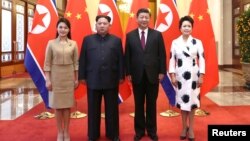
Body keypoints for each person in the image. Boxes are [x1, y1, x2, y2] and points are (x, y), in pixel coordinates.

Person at [78, 15, 124, 141]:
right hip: (93, 80)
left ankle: (113, 134)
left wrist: (121, 75)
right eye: (100, 23)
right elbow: (83, 59)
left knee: (112, 110)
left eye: (105, 23)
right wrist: (81, 76)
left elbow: (121, 59)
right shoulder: (87, 40)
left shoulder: (116, 40)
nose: (102, 25)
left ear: (109, 25)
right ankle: (93, 135)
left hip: (111, 79)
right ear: (96, 25)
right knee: (93, 109)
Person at [125, 8, 166, 141]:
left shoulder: (157, 35)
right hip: (136, 75)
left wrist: (161, 71)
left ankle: (152, 131)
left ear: (150, 18)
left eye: (146, 17)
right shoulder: (130, 35)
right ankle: (139, 131)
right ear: (136, 19)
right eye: (141, 17)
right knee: (138, 104)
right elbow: (128, 56)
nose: (144, 20)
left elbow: (162, 55)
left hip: (153, 75)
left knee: (151, 104)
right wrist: (128, 72)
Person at [169, 16, 205, 141]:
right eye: (184, 26)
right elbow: (171, 59)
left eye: (189, 26)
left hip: (194, 76)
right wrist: (172, 75)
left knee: (193, 103)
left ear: (192, 28)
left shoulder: (197, 42)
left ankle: (192, 128)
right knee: (183, 103)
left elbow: (202, 59)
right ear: (180, 28)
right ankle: (184, 127)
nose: (186, 28)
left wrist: (201, 75)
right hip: (180, 77)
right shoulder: (175, 42)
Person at [44, 17, 79, 141]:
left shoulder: (73, 43)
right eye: (60, 27)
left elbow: (76, 63)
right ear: (56, 28)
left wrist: (76, 79)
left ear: (69, 29)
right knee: (58, 107)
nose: (63, 30)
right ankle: (59, 132)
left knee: (67, 106)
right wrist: (48, 80)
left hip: (69, 77)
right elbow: (47, 63)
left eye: (65, 27)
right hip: (55, 77)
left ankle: (66, 132)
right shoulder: (51, 43)